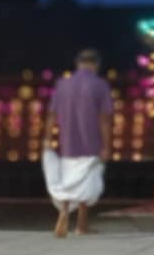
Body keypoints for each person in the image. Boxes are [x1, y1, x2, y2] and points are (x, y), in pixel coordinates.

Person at [42, 48, 113, 237]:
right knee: (88, 184)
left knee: (68, 181)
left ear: (78, 63)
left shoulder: (63, 84)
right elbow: (105, 118)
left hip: (68, 143)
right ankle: (81, 226)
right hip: (92, 144)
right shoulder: (100, 85)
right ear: (96, 64)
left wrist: (48, 139)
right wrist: (107, 145)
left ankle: (64, 211)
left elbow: (51, 115)